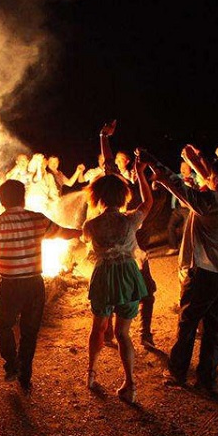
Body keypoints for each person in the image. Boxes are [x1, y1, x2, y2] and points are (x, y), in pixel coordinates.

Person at [142, 147, 218, 393]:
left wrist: (152, 160)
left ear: (216, 180)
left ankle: (177, 372)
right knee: (216, 327)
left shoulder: (208, 203)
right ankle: (207, 377)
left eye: (211, 177)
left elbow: (174, 183)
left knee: (188, 323)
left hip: (205, 275)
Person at [0, 180, 82, 393]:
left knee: (3, 326)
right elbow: (63, 233)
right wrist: (82, 232)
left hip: (10, 287)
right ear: (23, 198)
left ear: (2, 201)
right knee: (29, 332)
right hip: (34, 286)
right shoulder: (37, 219)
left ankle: (12, 364)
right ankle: (25, 374)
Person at [83, 150, 152, 404]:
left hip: (104, 277)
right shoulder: (130, 220)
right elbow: (147, 203)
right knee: (123, 333)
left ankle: (90, 373)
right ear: (123, 196)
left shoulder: (91, 225)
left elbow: (88, 244)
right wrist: (142, 175)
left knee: (98, 327)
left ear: (98, 198)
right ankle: (130, 384)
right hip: (128, 276)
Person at [165, 162, 198, 255]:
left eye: (185, 167)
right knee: (171, 225)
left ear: (190, 168)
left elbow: (198, 191)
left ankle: (187, 250)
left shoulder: (195, 177)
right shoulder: (177, 177)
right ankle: (173, 247)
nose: (182, 169)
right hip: (179, 207)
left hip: (189, 208)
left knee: (186, 230)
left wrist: (192, 184)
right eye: (181, 167)